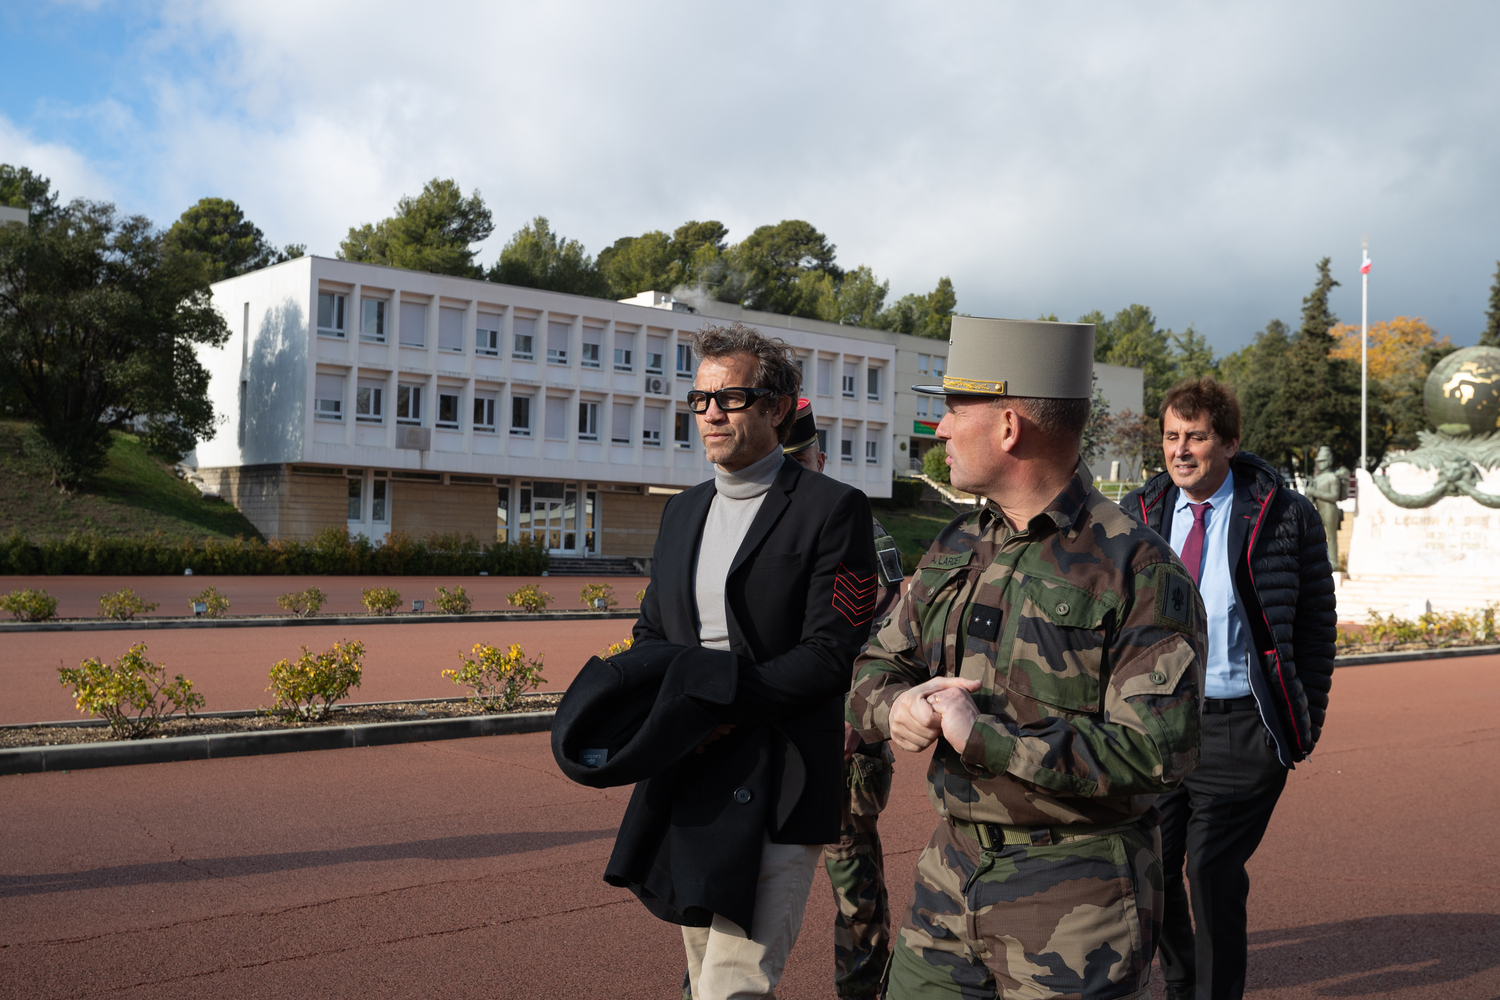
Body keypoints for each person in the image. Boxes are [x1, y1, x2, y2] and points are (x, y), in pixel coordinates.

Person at [848, 316, 1207, 999]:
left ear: (1010, 427)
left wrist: (982, 738)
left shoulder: (1136, 567)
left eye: (955, 410)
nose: (939, 429)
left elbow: (1159, 753)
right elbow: (873, 665)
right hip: (950, 873)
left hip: (1076, 899)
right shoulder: (956, 545)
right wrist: (896, 706)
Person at [613, 322, 879, 1000]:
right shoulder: (681, 513)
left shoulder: (832, 509)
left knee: (734, 986)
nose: (710, 415)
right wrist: (677, 712)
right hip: (693, 771)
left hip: (782, 773)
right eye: (700, 400)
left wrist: (717, 704)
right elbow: (651, 636)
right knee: (702, 977)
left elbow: (828, 654)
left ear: (777, 408)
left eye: (729, 399)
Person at [1121, 377, 1336, 1000]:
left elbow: (1317, 624)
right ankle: (1185, 983)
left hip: (1241, 725)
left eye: (1196, 436)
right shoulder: (1139, 513)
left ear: (1230, 442)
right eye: (1170, 436)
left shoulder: (1284, 514)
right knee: (1153, 871)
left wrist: (1303, 717)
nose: (1180, 449)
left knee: (1210, 870)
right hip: (1156, 724)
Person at [784, 397, 902, 1000]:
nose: (791, 475)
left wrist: (859, 717)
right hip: (762, 739)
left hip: (842, 740)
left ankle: (862, 993)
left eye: (799, 462)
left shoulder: (858, 528)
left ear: (821, 460)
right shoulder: (741, 523)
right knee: (732, 885)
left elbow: (885, 635)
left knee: (855, 889)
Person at [1304, 446, 1345, 570]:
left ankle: (1333, 561)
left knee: (1331, 536)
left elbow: (1334, 496)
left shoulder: (1333, 478)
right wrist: (1309, 493)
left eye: (1323, 461)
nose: (1320, 464)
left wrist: (1315, 492)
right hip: (1319, 509)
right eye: (1319, 461)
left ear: (1329, 461)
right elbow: (1311, 499)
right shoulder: (1316, 478)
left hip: (1330, 509)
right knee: (1316, 536)